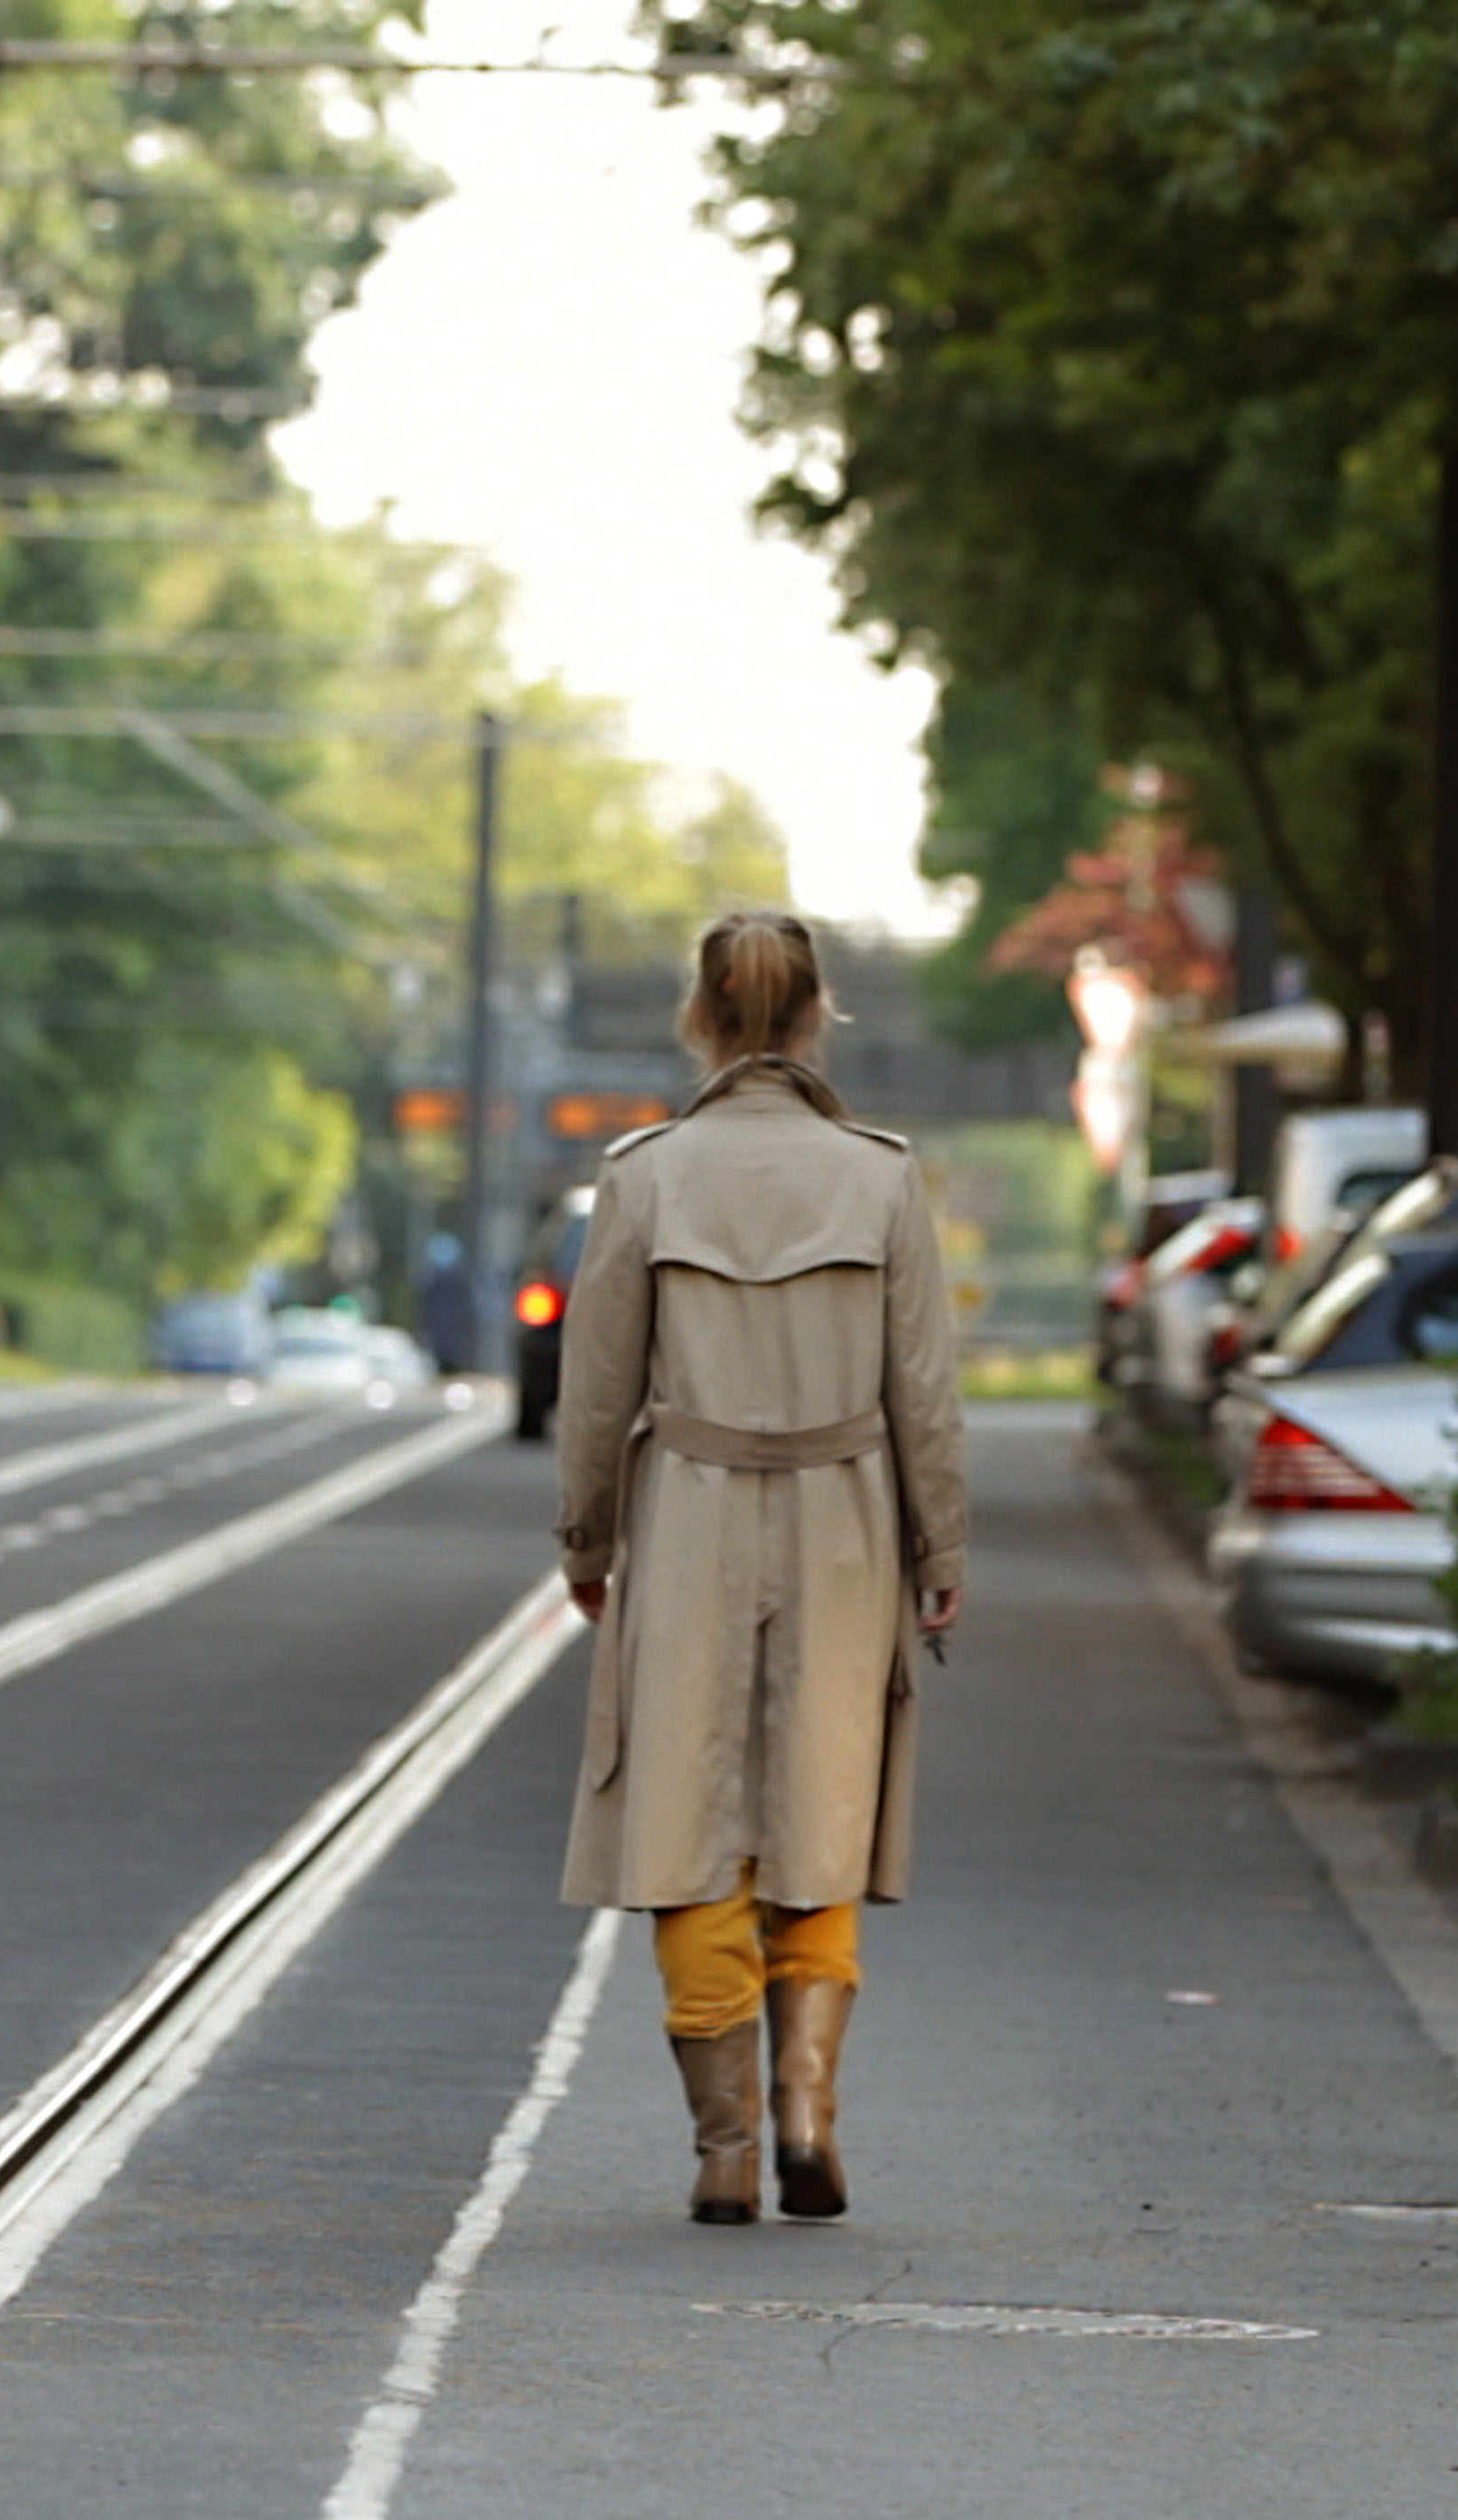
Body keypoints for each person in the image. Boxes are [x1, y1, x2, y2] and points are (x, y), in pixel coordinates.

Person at [548, 907, 968, 2227]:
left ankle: (726, 2145)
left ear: (705, 1019)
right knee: (821, 1810)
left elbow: (596, 1382)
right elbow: (926, 1392)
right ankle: (808, 2103)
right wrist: (939, 1547)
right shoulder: (883, 1176)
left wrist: (591, 1537)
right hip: (847, 1513)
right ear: (811, 1016)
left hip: (690, 1511)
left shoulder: (647, 1174)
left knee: (688, 1818)